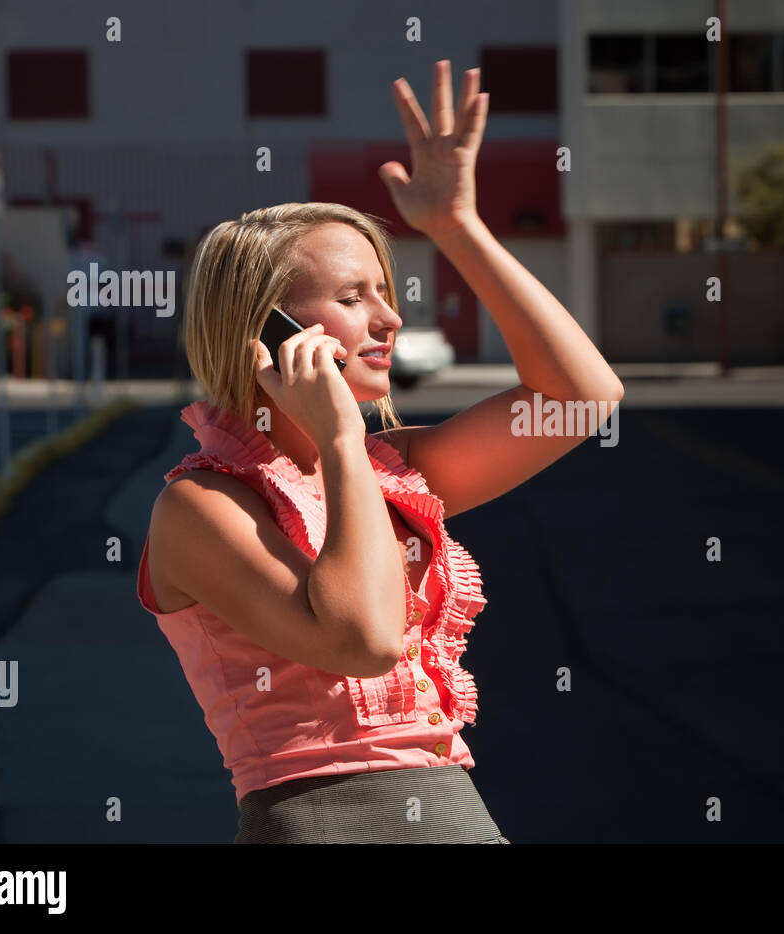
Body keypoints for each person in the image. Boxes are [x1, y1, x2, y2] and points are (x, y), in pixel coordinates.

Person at [134, 60, 624, 843]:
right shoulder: (201, 505)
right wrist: (337, 438)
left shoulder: (394, 470)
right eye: (352, 297)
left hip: (455, 813)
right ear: (268, 331)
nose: (389, 319)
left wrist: (457, 227)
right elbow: (360, 642)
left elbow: (580, 399)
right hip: (324, 822)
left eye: (387, 293)